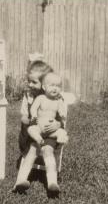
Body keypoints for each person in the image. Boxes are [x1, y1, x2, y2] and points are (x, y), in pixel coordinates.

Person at [13, 55, 65, 195]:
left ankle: (52, 183)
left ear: (44, 84)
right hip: (32, 135)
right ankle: (20, 182)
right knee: (31, 153)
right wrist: (27, 119)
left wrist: (57, 124)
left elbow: (61, 117)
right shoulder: (29, 95)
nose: (30, 85)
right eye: (29, 81)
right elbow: (25, 114)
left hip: (49, 134)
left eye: (34, 82)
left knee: (47, 151)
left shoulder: (54, 98)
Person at [27, 72, 68, 146]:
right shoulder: (41, 98)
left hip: (52, 130)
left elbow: (62, 111)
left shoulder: (58, 101)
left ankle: (61, 138)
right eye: (52, 85)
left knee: (62, 132)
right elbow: (33, 108)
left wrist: (62, 113)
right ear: (44, 87)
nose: (55, 88)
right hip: (39, 127)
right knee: (30, 129)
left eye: (58, 86)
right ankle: (38, 138)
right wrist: (34, 114)